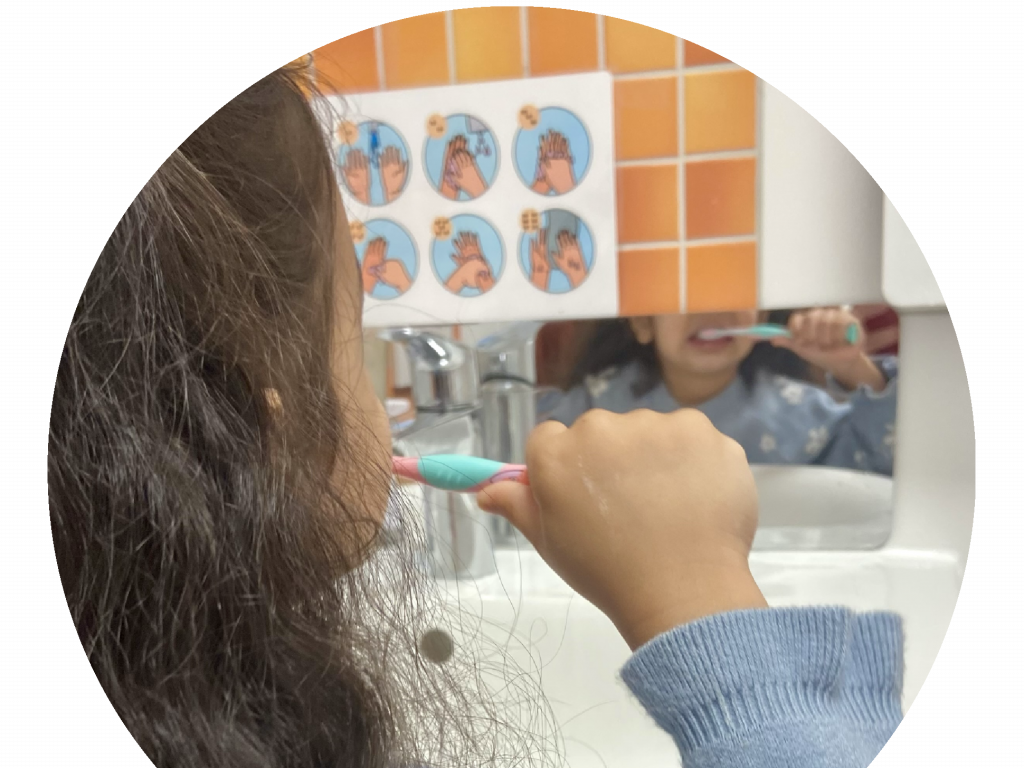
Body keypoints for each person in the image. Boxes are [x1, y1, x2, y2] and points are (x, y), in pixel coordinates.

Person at [48, 63, 903, 767]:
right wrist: (705, 603)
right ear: (266, 434)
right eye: (356, 334)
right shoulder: (595, 405)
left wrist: (852, 371)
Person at [544, 308, 899, 476]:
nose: (713, 311)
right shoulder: (591, 410)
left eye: (733, 291)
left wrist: (854, 368)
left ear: (761, 314)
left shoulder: (800, 419)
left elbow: (887, 469)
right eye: (685, 294)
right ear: (643, 321)